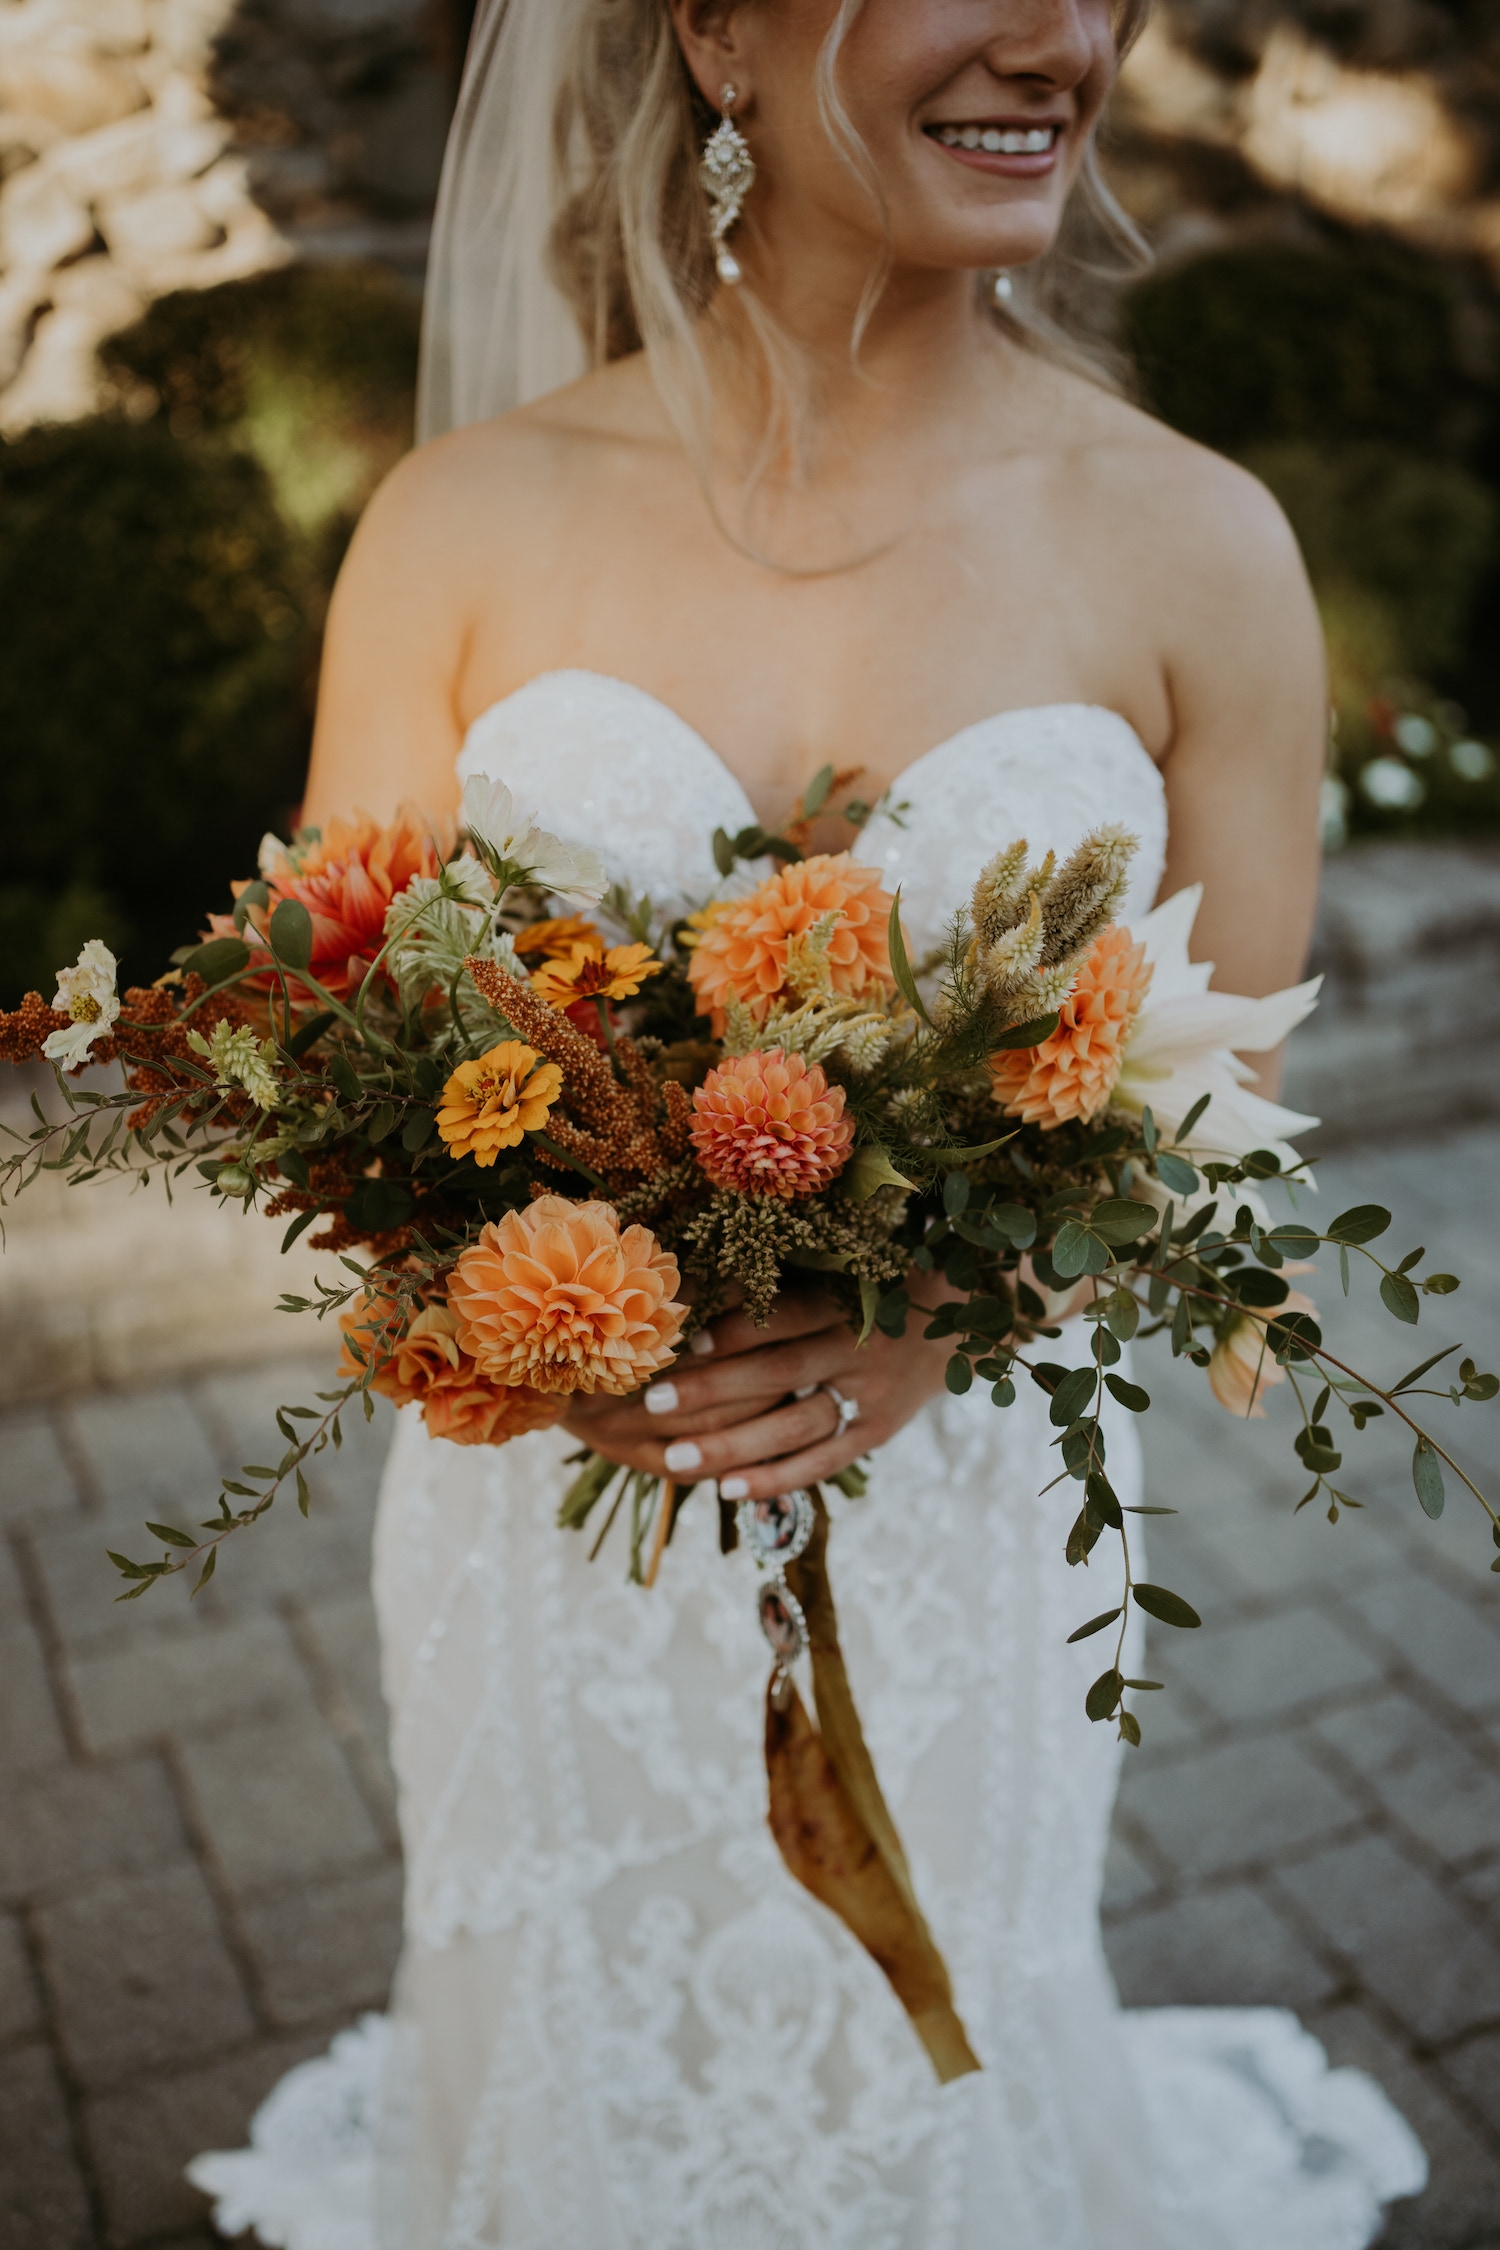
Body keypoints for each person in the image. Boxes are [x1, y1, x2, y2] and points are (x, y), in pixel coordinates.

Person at [190, 3, 1428, 2244]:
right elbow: (333, 1059)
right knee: (571, 2018)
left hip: (965, 1524)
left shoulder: (1201, 550)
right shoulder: (463, 523)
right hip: (557, 1510)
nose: (1063, 35)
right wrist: (546, 1304)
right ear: (720, 33)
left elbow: (1223, 1094)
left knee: (934, 2056)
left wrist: (951, 1314)